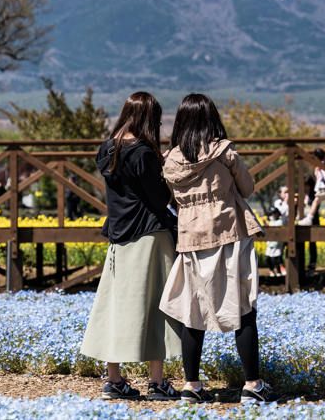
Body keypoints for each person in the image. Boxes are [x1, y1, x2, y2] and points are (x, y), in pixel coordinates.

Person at [160, 93, 280, 404]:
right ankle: (252, 385)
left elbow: (171, 200)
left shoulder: (170, 160)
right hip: (230, 235)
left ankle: (192, 386)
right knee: (243, 308)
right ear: (212, 118)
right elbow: (248, 188)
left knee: (193, 311)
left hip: (191, 240)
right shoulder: (224, 152)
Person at [79, 92, 181, 401]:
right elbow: (158, 198)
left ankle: (114, 380)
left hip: (119, 237)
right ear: (148, 119)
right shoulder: (143, 152)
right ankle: (158, 382)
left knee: (116, 307)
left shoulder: (107, 149)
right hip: (150, 235)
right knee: (157, 308)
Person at [265, 207, 286, 276]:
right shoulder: (271, 221)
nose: (271, 215)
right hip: (270, 243)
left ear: (277, 213)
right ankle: (272, 271)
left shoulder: (280, 222)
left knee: (275, 259)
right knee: (267, 259)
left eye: (272, 213)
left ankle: (279, 272)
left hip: (276, 244)